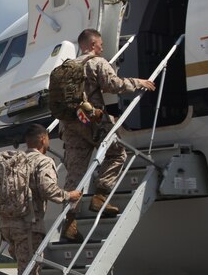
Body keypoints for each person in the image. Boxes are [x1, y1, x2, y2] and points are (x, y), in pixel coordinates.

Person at [59, 28, 156, 240]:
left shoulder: (66, 67)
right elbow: (113, 85)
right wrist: (139, 83)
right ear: (93, 45)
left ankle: (69, 222)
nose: (102, 48)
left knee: (75, 174)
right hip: (92, 120)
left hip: (69, 126)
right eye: (101, 45)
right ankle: (100, 196)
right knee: (117, 153)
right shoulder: (97, 62)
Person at [0, 123, 82, 275]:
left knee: (24, 271)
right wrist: (69, 195)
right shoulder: (42, 161)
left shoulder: (14, 161)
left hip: (6, 226)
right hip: (27, 226)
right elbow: (47, 189)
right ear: (43, 140)